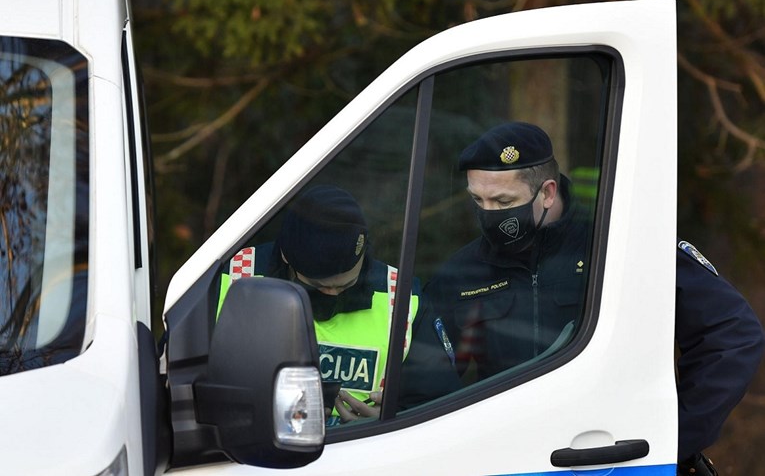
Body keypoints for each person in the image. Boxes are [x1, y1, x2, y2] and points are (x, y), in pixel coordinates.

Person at [417, 121, 764, 475]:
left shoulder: (616, 248)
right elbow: (431, 377)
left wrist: (674, 436)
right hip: (517, 464)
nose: (489, 213)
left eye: (503, 201)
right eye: (478, 199)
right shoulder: (460, 274)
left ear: (547, 192)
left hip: (620, 462)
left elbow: (733, 335)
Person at [216, 184, 418, 426]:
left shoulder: (400, 294)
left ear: (363, 254)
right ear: (286, 257)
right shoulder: (232, 279)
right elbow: (184, 389)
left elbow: (439, 404)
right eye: (316, 286)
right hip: (253, 450)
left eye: (345, 285)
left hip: (364, 450)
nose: (331, 294)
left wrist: (393, 416)